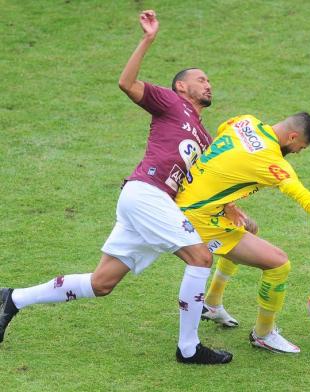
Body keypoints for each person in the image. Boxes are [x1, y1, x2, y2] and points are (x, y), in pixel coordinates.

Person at [0, 10, 233, 365]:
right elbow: (127, 83)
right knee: (201, 258)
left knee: (101, 284)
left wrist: (233, 209)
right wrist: (147, 39)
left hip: (151, 203)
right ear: (181, 87)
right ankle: (188, 348)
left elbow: (206, 184)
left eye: (209, 80)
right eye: (200, 79)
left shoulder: (204, 134)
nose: (208, 84)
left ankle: (13, 299)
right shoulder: (170, 103)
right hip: (147, 194)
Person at [176, 112, 310, 353]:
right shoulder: (272, 161)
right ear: (292, 136)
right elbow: (307, 199)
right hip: (197, 218)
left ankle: (212, 303)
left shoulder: (245, 121)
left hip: (187, 199)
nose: (298, 152)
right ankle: (263, 334)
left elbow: (219, 148)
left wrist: (227, 204)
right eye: (301, 147)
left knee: (248, 227)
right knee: (279, 264)